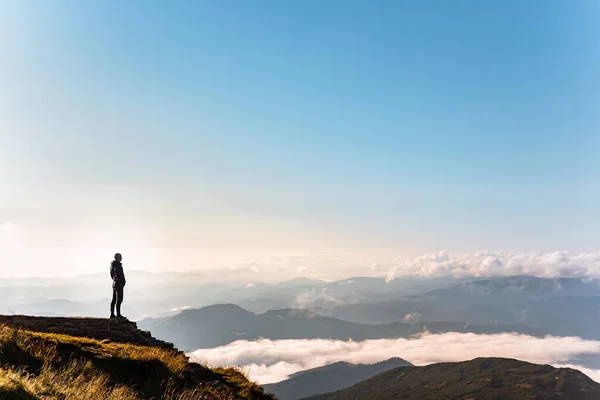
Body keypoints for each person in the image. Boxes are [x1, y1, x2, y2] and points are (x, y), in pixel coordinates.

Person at [110, 253, 127, 319]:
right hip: (119, 284)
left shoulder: (112, 265)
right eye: (120, 257)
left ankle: (112, 314)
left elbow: (111, 275)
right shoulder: (118, 266)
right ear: (117, 258)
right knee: (119, 299)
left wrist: (115, 280)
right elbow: (121, 275)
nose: (121, 258)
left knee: (114, 299)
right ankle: (118, 314)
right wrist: (123, 282)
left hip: (114, 283)